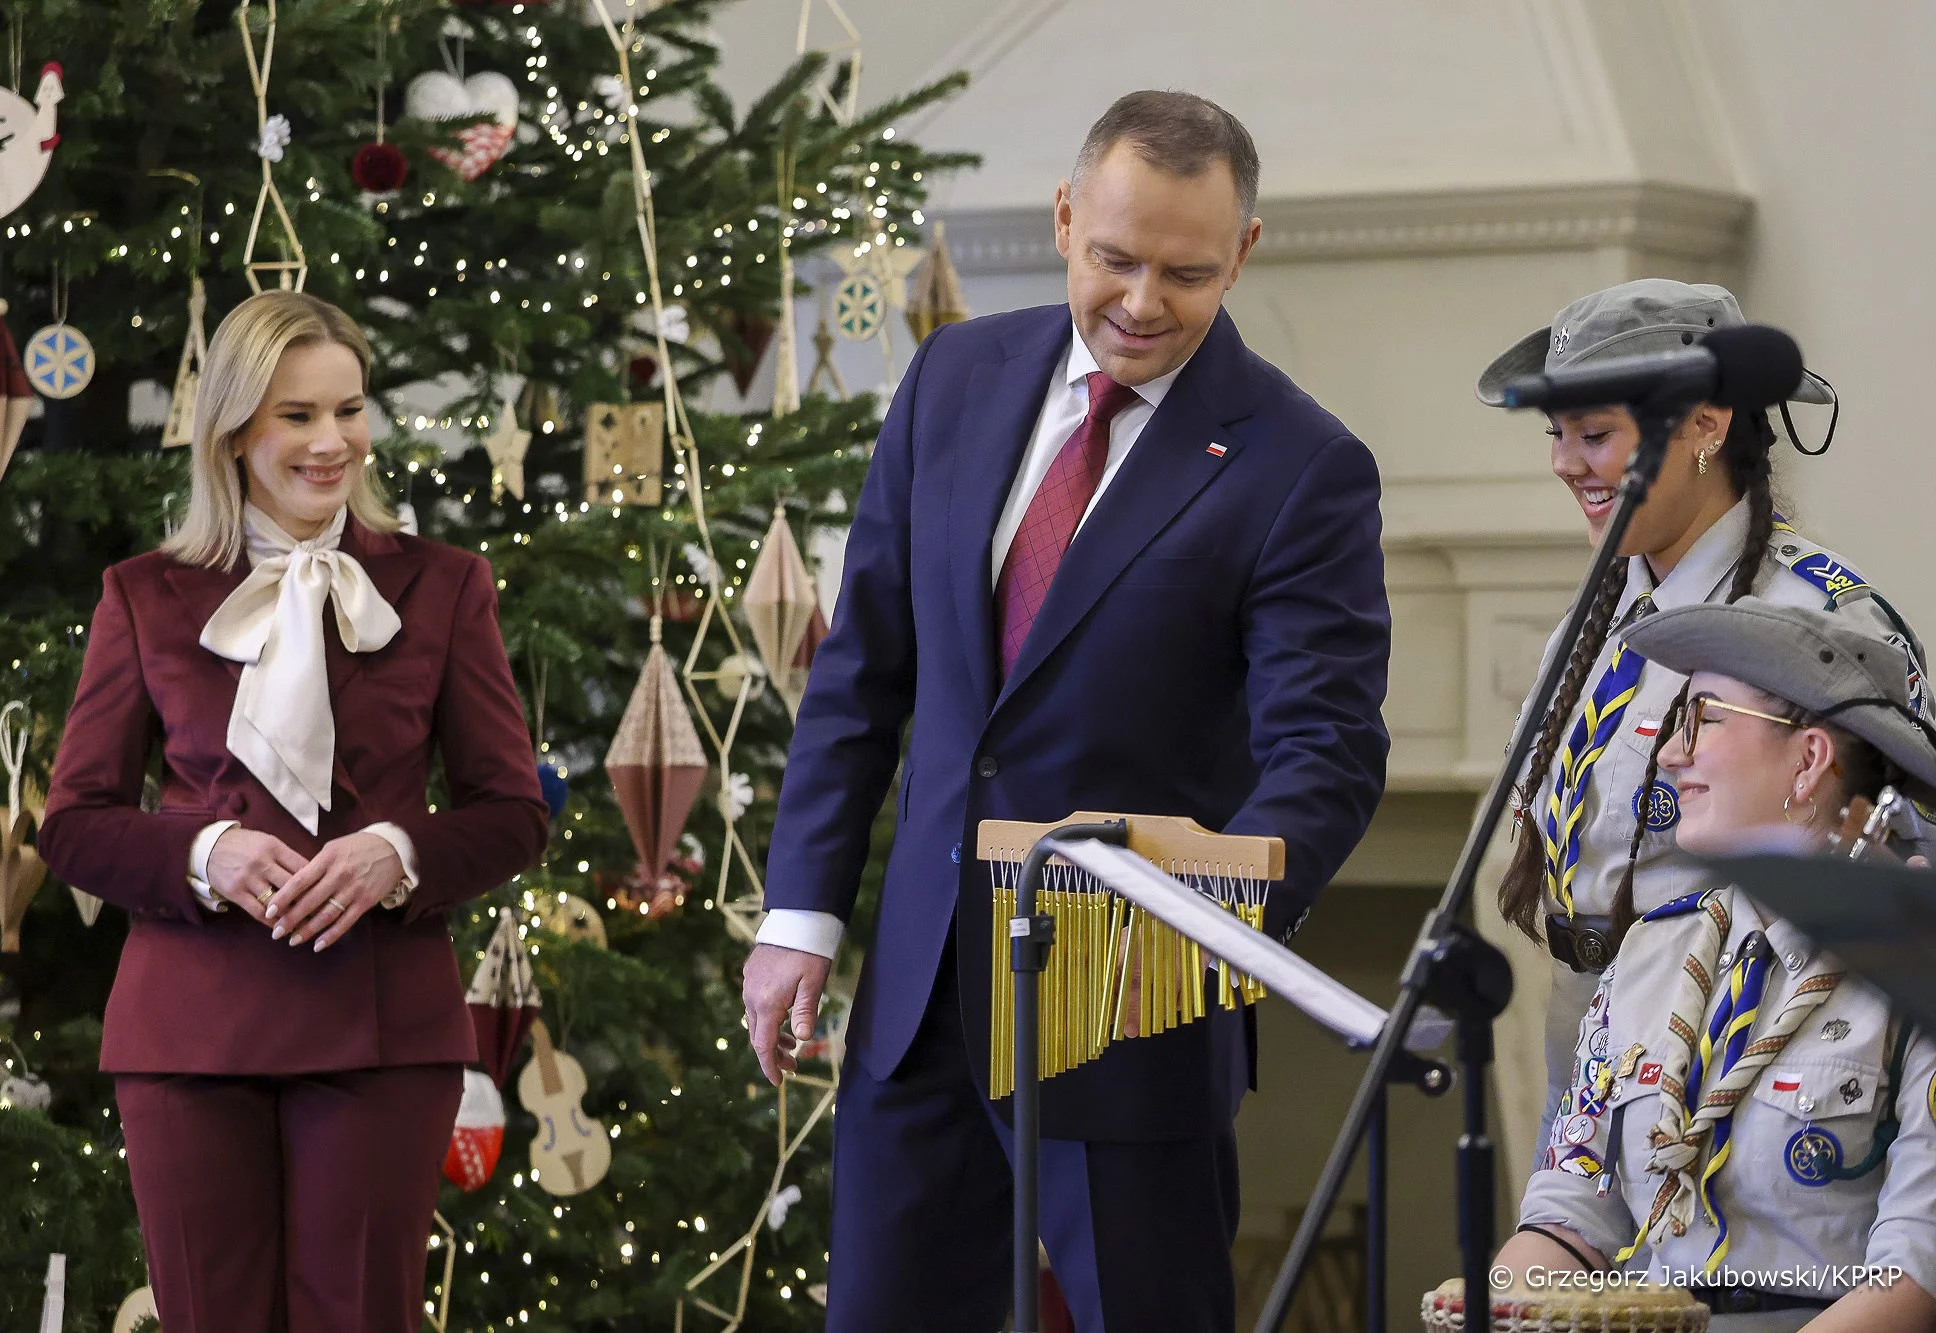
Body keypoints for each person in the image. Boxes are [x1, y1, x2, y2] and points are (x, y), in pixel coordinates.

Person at [741, 90, 1391, 1329]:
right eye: (1116, 259)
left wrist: (1213, 925)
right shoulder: (952, 375)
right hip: (921, 993)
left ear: (1242, 252)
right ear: (1061, 220)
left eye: (1187, 272)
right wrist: (800, 913)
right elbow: (862, 669)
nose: (1143, 302)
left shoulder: (1300, 467)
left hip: (1125, 1002)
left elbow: (1327, 748)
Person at [38, 291, 549, 1333]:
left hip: (382, 1026)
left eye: (348, 410)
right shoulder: (145, 593)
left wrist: (394, 851)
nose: (332, 443)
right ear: (233, 430)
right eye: (296, 416)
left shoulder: (446, 586)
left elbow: (512, 809)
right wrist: (207, 853)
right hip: (188, 1027)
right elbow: (76, 819)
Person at [1476, 279, 1927, 1157]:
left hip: (1730, 1032)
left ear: (1707, 425)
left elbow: (1900, 847)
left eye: (1596, 434)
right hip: (1589, 1012)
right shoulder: (1597, 616)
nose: (1569, 463)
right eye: (1557, 436)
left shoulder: (1815, 616)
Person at [1495, 597, 1936, 1331]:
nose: (1670, 751)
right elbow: (1571, 1207)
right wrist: (1508, 1302)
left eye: (1704, 717)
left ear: (1809, 758)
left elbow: (1914, 1276)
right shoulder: (1651, 951)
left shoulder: (1914, 961)